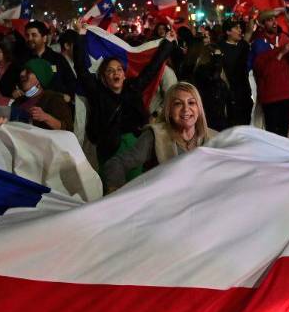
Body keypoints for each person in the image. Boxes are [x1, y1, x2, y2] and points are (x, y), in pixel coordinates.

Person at [74, 21, 176, 172]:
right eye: (110, 71)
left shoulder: (133, 88)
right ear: (104, 77)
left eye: (119, 69)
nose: (116, 73)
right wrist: (81, 35)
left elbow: (152, 68)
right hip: (108, 148)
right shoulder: (97, 93)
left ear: (124, 74)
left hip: (134, 148)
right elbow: (81, 67)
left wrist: (167, 42)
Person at [103, 82, 217, 192]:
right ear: (169, 111)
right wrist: (115, 191)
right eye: (178, 103)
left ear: (199, 109)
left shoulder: (216, 138)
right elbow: (116, 163)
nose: (186, 109)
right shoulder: (156, 135)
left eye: (191, 103)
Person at [12, 58, 73, 131]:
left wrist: (46, 117)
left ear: (39, 79)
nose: (22, 74)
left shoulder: (53, 99)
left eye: (28, 72)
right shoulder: (18, 101)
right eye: (23, 70)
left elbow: (68, 129)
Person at [23, 20, 76, 99]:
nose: (30, 38)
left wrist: (68, 96)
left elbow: (71, 82)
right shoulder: (23, 59)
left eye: (34, 35)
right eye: (27, 35)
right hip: (31, 106)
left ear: (44, 38)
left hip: (54, 105)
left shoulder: (57, 59)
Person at [219, 21, 253, 126]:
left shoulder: (243, 45)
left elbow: (249, 33)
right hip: (231, 94)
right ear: (228, 32)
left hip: (245, 91)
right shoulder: (221, 48)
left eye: (240, 28)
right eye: (236, 28)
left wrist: (251, 18)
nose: (240, 30)